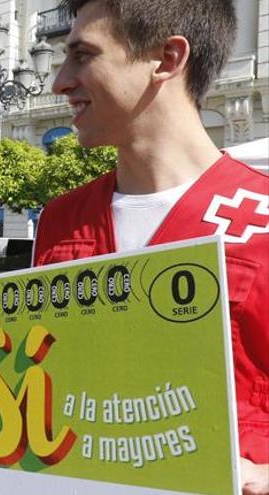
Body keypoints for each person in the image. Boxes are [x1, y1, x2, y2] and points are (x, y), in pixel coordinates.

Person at [33, 1, 268, 493]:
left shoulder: (261, 220)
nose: (60, 82)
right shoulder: (60, 221)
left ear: (167, 59)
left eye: (83, 55)